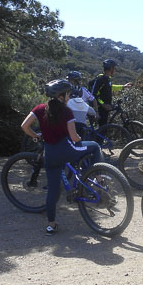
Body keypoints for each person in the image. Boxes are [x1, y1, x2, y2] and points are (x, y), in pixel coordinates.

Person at [21, 79, 104, 235]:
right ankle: (100, 180)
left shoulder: (39, 108)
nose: (69, 96)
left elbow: (24, 126)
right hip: (67, 149)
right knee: (94, 146)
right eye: (68, 94)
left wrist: (36, 136)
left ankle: (51, 225)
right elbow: (74, 137)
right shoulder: (67, 112)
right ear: (62, 96)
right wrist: (79, 138)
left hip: (50, 154)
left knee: (53, 191)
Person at [88, 59, 132, 127]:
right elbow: (93, 94)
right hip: (99, 108)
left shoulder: (107, 78)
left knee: (104, 127)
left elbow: (110, 87)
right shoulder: (100, 79)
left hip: (106, 107)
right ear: (111, 68)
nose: (115, 70)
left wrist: (123, 86)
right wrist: (103, 104)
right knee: (101, 129)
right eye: (114, 68)